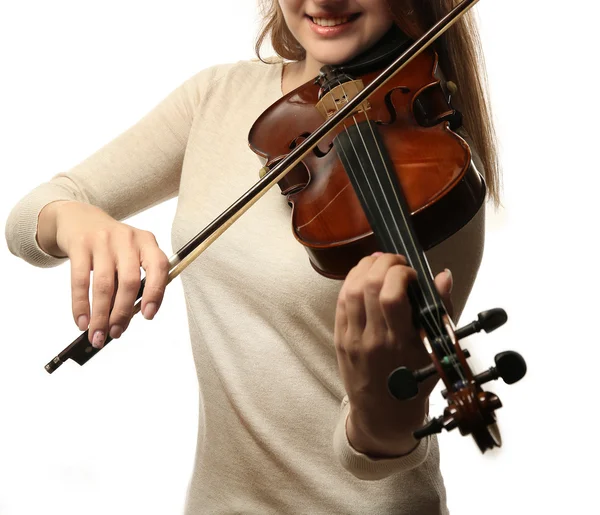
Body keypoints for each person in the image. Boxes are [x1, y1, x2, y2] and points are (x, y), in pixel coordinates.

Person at [5, 1, 499, 513]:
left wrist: (383, 419)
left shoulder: (437, 166)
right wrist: (79, 221)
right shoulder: (219, 98)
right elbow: (28, 218)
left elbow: (377, 458)